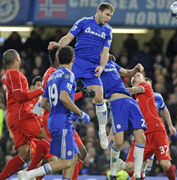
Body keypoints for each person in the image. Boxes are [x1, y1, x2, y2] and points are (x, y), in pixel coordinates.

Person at [48, 2, 114, 149]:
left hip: (92, 67)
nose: (108, 18)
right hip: (76, 63)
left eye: (110, 16)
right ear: (99, 11)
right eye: (107, 14)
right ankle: (41, 109)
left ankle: (102, 130)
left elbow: (105, 53)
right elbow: (68, 38)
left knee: (99, 97)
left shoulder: (108, 31)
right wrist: (57, 47)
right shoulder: (84, 22)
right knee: (57, 83)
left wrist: (102, 67)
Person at [18, 46, 90, 179]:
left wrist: (59, 110)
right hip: (62, 122)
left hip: (54, 119)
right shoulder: (68, 74)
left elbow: (43, 103)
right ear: (73, 59)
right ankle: (30, 174)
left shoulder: (51, 76)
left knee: (74, 156)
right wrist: (80, 113)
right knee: (67, 160)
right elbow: (64, 97)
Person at [0, 49, 48, 180]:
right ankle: (30, 175)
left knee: (25, 153)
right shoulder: (14, 74)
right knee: (47, 137)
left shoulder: (6, 75)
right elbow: (20, 97)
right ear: (16, 59)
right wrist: (39, 91)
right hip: (22, 116)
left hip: (14, 116)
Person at [124, 73, 177, 180]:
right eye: (133, 77)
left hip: (157, 131)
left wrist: (170, 125)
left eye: (138, 75)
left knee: (165, 164)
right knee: (129, 167)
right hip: (141, 135)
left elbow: (165, 109)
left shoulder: (147, 87)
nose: (135, 76)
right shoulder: (130, 99)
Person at [100, 60, 146, 180]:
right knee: (119, 141)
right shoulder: (94, 65)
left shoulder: (111, 63)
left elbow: (127, 73)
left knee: (141, 138)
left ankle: (137, 174)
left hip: (130, 101)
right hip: (116, 102)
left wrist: (135, 69)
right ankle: (113, 172)